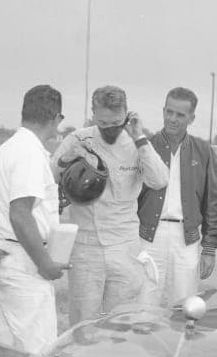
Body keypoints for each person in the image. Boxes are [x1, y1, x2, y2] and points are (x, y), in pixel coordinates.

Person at [53, 85, 169, 323]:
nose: (110, 130)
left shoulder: (137, 143)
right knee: (84, 323)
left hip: (124, 246)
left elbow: (159, 181)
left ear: (127, 114)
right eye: (103, 124)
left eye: (116, 123)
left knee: (120, 323)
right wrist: (65, 159)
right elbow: (46, 178)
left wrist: (140, 139)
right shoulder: (78, 139)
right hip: (86, 247)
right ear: (93, 114)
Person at [0, 85, 71, 354]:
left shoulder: (8, 149)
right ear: (57, 119)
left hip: (7, 253)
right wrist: (45, 264)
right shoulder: (28, 153)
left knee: (6, 350)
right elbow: (20, 214)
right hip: (23, 261)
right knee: (37, 353)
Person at [137, 87, 217, 306]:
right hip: (148, 236)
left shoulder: (203, 151)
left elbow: (213, 202)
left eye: (180, 115)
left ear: (191, 118)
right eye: (169, 112)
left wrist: (210, 248)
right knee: (144, 300)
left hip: (187, 238)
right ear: (163, 110)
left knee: (184, 304)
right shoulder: (145, 147)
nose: (172, 119)